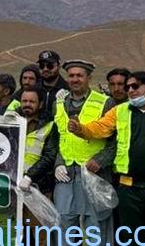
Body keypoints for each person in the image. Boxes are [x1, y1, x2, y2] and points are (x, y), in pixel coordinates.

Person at [67, 71, 145, 243]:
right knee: (129, 239)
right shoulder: (119, 111)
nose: (130, 90)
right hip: (128, 189)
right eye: (127, 87)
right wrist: (80, 129)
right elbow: (99, 128)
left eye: (135, 86)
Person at [52, 59, 115, 245]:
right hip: (66, 175)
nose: (75, 79)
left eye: (79, 75)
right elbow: (57, 138)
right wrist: (58, 163)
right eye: (71, 76)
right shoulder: (59, 103)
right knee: (63, 224)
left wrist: (100, 161)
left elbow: (116, 141)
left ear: (89, 78)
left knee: (97, 225)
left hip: (94, 175)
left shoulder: (105, 102)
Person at [15, 87, 58, 244]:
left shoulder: (50, 125)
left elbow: (50, 156)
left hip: (38, 187)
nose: (27, 104)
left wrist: (30, 176)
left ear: (40, 104)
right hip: (13, 187)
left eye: (32, 101)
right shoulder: (12, 121)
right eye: (24, 101)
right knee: (13, 231)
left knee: (40, 233)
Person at [38, 50, 69, 118]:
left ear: (59, 66)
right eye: (42, 66)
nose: (45, 69)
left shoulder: (67, 90)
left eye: (50, 66)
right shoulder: (34, 89)